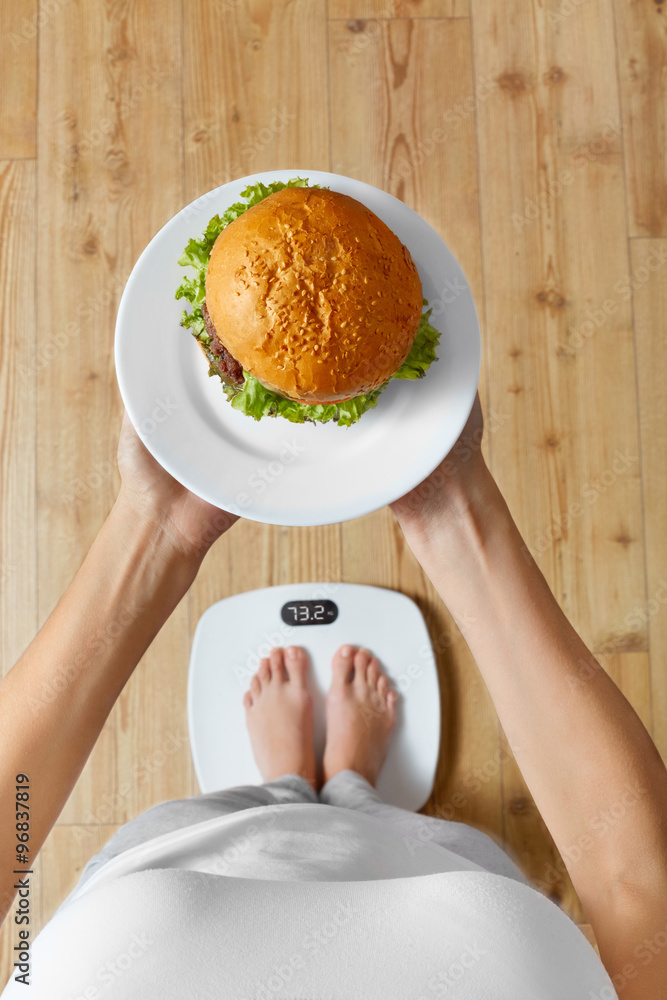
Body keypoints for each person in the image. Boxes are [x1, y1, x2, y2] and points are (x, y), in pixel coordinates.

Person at [0, 397, 665, 999]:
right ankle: (349, 785)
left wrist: (155, 532)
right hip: (433, 864)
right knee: (373, 816)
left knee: (245, 813)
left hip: (178, 853)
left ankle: (287, 783)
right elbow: (635, 886)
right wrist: (452, 516)